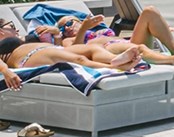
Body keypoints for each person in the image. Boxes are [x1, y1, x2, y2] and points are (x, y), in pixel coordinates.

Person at [0, 20, 144, 91]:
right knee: (79, 60)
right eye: (11, 26)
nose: (15, 29)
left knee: (92, 49)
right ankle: (117, 67)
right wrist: (6, 71)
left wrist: (56, 33)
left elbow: (58, 42)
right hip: (31, 56)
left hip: (51, 49)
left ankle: (115, 60)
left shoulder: (21, 37)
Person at [50, 7, 174, 65]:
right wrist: (83, 29)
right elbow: (73, 52)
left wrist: (159, 29)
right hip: (107, 49)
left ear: (79, 21)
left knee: (149, 11)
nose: (66, 28)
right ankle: (172, 60)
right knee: (139, 48)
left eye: (69, 23)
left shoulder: (96, 31)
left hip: (125, 43)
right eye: (62, 28)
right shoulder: (69, 40)